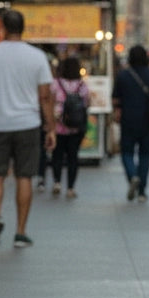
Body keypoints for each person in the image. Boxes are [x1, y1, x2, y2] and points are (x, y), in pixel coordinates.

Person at [0, 8, 56, 249]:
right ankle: (21, 233)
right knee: (25, 176)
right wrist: (51, 128)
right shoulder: (37, 57)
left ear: (2, 27)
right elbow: (45, 97)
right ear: (23, 28)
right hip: (28, 125)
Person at [112, 45, 149, 201]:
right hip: (148, 120)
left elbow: (115, 100)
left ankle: (132, 175)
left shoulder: (123, 76)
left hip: (128, 119)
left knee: (127, 152)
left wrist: (117, 113)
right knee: (145, 154)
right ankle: (142, 191)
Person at [50, 56, 91, 198]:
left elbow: (50, 100)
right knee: (73, 157)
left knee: (57, 155)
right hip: (76, 126)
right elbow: (87, 103)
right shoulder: (82, 85)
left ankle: (57, 182)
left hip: (58, 125)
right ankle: (71, 188)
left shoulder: (56, 83)